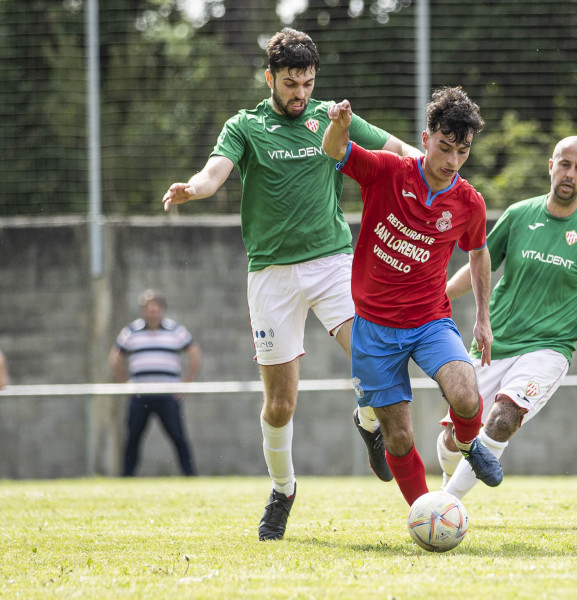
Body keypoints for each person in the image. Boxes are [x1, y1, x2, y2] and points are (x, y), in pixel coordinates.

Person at [161, 28, 421, 540]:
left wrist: (437, 168)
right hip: (271, 276)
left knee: (376, 356)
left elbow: (395, 148)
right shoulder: (246, 125)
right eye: (290, 83)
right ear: (270, 79)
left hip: (331, 265)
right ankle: (283, 490)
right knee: (280, 405)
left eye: (307, 82)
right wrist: (194, 188)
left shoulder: (332, 117)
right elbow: (216, 171)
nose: (300, 93)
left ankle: (368, 422)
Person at [321, 86, 503, 507]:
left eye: (463, 152)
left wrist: (482, 318)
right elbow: (335, 150)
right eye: (444, 148)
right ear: (425, 139)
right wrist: (337, 126)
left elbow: (478, 253)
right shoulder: (388, 171)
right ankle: (425, 514)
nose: (452, 162)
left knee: (466, 394)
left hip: (429, 321)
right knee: (399, 438)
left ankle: (469, 443)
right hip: (374, 328)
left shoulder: (468, 203)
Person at [435, 136, 577, 500]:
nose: (570, 174)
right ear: (551, 165)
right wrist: (438, 295)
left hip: (548, 350)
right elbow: (479, 265)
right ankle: (447, 483)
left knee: (505, 417)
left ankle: (446, 505)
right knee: (455, 437)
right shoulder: (519, 215)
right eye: (565, 164)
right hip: (495, 341)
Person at [109, 290, 202, 477]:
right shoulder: (131, 331)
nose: (152, 312)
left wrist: (185, 384)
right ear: (143, 311)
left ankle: (190, 476)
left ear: (162, 310)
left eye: (156, 309)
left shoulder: (175, 330)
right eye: (148, 309)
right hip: (140, 394)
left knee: (178, 438)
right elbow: (116, 357)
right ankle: (126, 478)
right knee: (133, 439)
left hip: (167, 395)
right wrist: (124, 384)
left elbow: (195, 355)